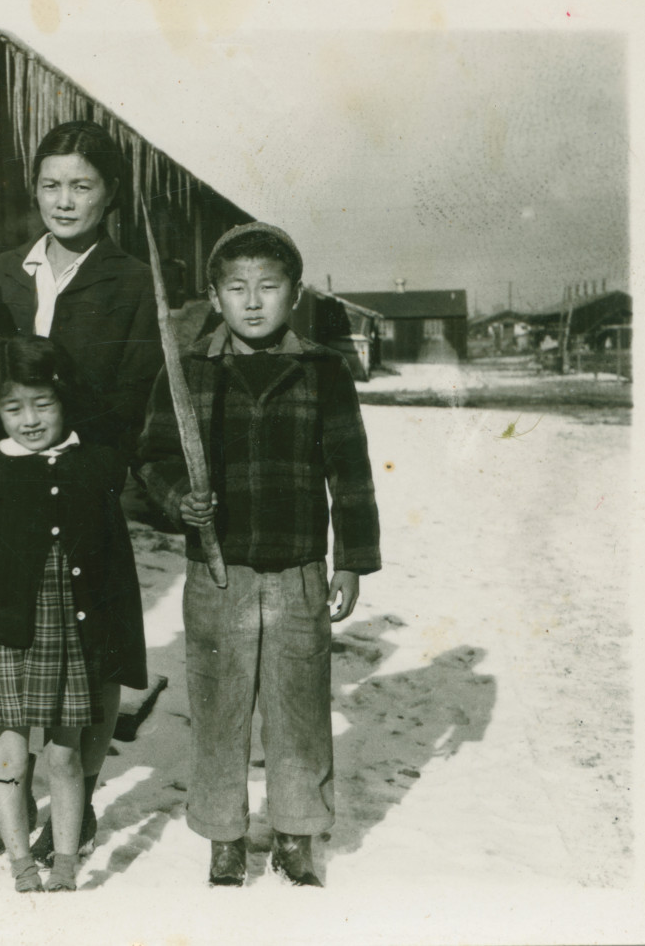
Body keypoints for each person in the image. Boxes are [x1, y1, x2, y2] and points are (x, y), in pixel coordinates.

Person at [0, 120, 160, 864]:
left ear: (111, 194)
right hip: (7, 498)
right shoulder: (6, 270)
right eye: (52, 184)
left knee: (88, 657)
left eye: (83, 186)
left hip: (83, 493)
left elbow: (130, 399)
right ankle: (14, 803)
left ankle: (80, 801)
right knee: (6, 652)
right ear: (35, 188)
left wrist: (94, 471)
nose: (65, 201)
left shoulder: (129, 281)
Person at [137, 221, 381, 888]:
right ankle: (223, 833)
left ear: (294, 294)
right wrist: (180, 497)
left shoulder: (323, 370)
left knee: (300, 707)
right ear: (215, 297)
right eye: (236, 288)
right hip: (218, 571)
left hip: (300, 570)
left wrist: (351, 557)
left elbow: (351, 472)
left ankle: (298, 831)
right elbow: (152, 459)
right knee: (219, 707)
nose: (252, 301)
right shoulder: (189, 369)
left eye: (268, 287)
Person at [0, 336, 147, 893]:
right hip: (6, 632)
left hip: (72, 634)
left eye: (43, 404)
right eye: (13, 408)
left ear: (66, 400)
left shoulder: (96, 464)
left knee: (64, 753)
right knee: (9, 752)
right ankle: (20, 867)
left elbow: (113, 564)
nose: (29, 420)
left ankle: (63, 863)